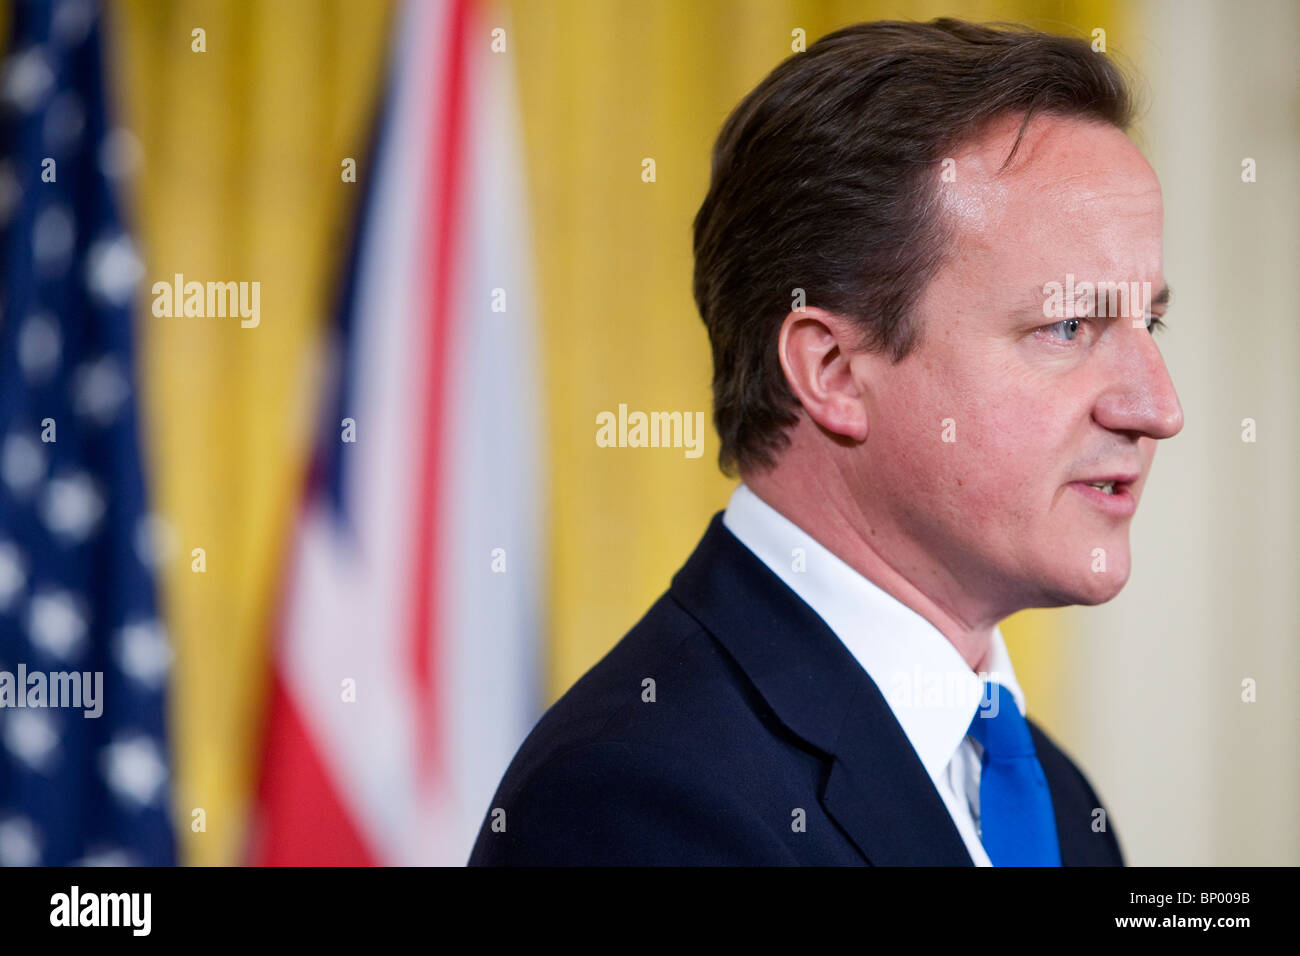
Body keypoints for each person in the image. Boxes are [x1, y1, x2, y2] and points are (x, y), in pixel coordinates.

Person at [469, 18, 1183, 866]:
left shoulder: (1056, 800)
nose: (1158, 407)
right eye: (1068, 324)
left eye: (1153, 322)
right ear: (835, 370)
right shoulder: (639, 799)